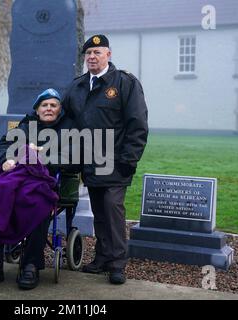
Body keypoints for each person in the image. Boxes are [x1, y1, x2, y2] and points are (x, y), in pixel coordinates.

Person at [0, 88, 77, 290]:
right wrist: (7, 160)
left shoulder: (69, 128)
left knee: (38, 206)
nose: (49, 108)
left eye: (54, 105)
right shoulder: (25, 126)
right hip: (16, 180)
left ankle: (31, 265)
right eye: (44, 105)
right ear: (37, 109)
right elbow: (1, 148)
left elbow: (74, 157)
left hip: (47, 181)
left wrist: (41, 156)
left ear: (60, 109)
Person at [62, 35, 149, 284]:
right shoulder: (77, 87)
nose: (92, 57)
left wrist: (128, 160)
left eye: (97, 52)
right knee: (99, 211)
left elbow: (138, 124)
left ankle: (117, 263)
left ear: (108, 55)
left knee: (112, 210)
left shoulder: (124, 83)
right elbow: (61, 117)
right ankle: (102, 258)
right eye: (88, 53)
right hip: (90, 161)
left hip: (116, 161)